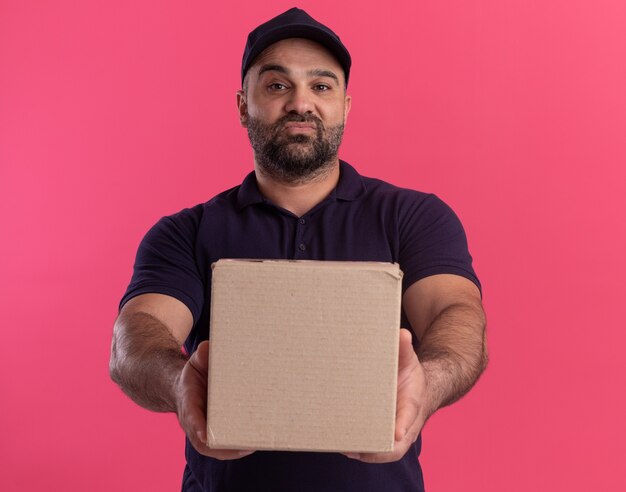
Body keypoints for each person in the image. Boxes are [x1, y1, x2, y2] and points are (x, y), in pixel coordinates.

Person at [109, 7, 488, 492]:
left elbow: (456, 310)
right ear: (243, 104)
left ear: (346, 107)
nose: (300, 103)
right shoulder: (187, 231)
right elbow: (138, 333)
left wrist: (428, 383)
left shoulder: (413, 217)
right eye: (276, 85)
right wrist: (179, 383)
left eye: (322, 86)